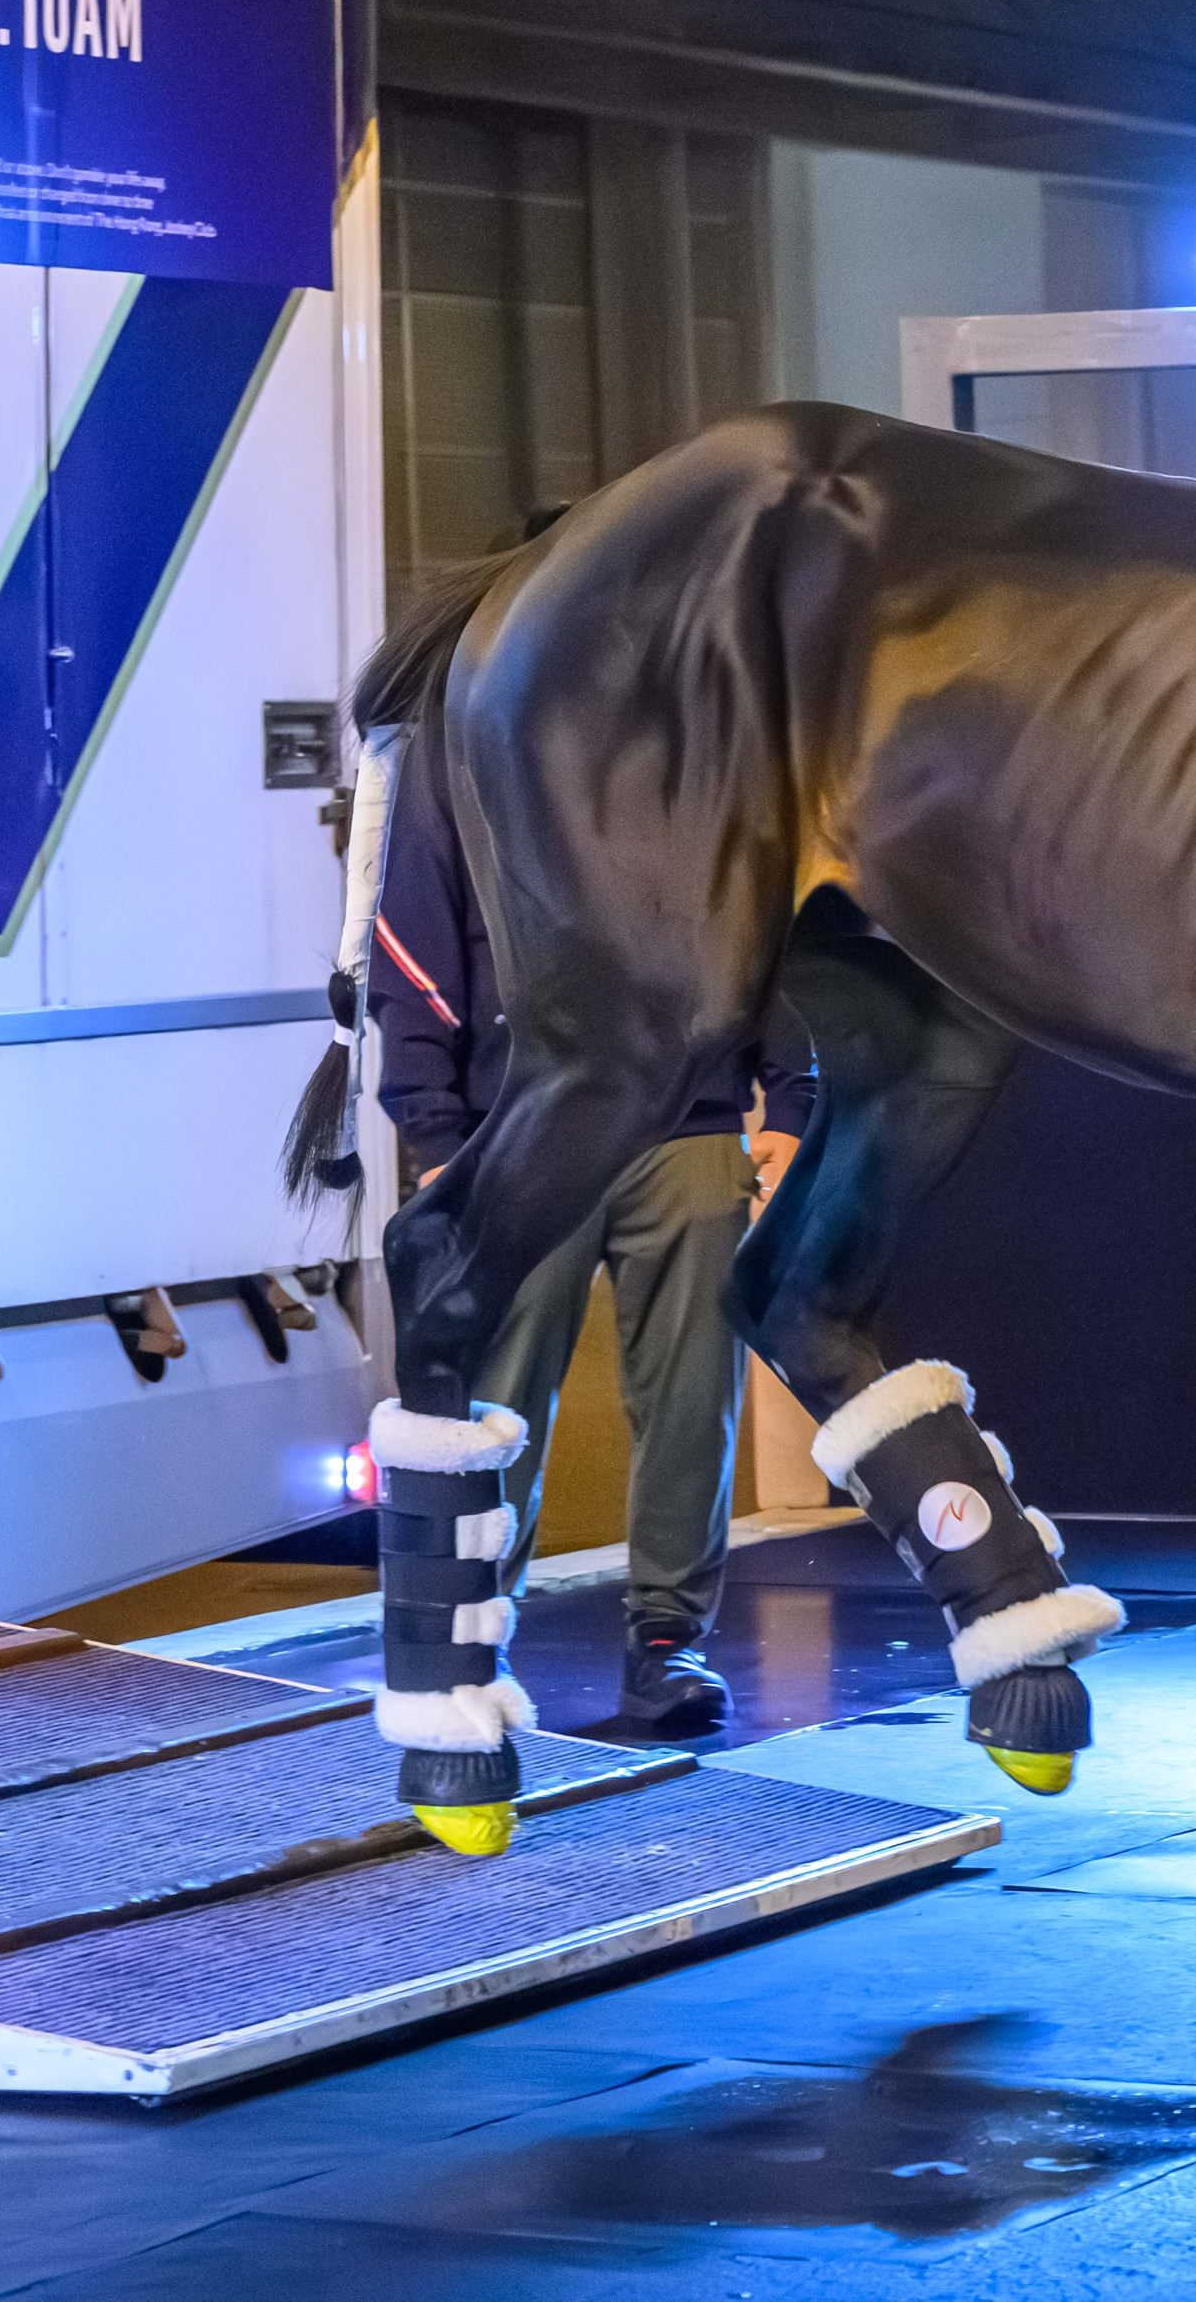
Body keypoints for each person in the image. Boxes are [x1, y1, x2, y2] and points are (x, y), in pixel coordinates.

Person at [369, 735, 812, 1732]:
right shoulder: (465, 736)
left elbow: (758, 901)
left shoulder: (698, 724)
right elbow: (412, 935)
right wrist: (433, 1128)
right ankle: (472, 1640)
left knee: (695, 1400)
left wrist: (792, 1088)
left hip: (686, 1113)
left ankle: (668, 1642)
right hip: (520, 1122)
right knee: (497, 1402)